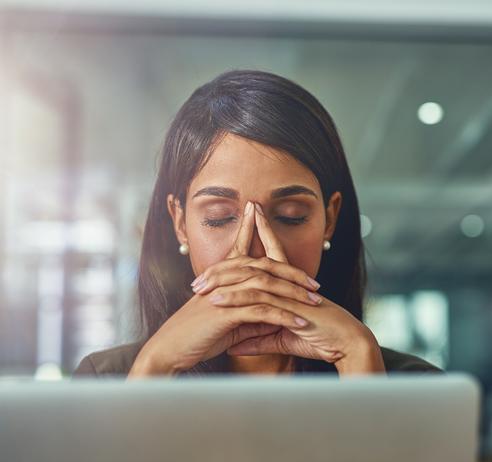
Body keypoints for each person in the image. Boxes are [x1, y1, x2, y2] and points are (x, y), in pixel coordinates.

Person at [74, 70, 441, 377]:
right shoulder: (110, 378)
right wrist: (156, 366)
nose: (256, 250)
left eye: (290, 216)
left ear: (329, 220)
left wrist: (357, 357)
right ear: (181, 223)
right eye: (219, 218)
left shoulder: (412, 384)